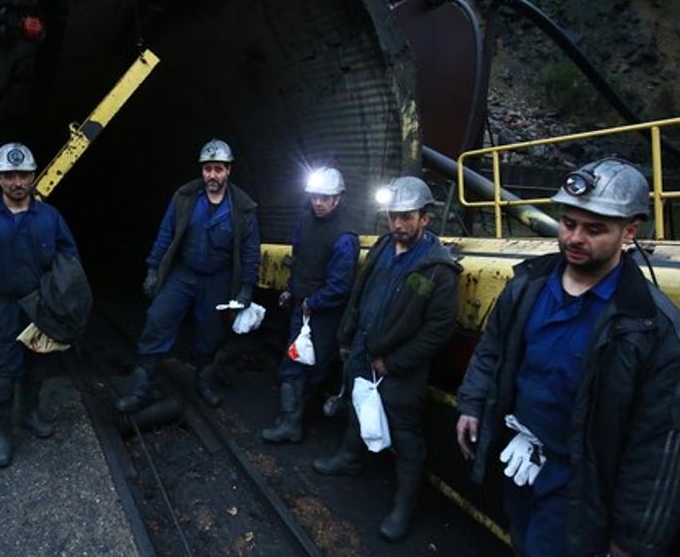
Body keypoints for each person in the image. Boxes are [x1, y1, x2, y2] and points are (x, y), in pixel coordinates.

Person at [455, 158, 680, 556]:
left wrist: (632, 543)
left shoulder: (655, 333)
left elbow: (660, 450)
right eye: (568, 223)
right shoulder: (529, 286)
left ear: (630, 232)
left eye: (594, 230)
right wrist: (471, 403)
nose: (574, 238)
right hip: (521, 462)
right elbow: (494, 349)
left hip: (580, 493)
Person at [313, 176, 461, 542]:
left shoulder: (437, 269)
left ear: (425, 218)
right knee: (357, 403)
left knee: (406, 433)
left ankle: (404, 506)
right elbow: (359, 296)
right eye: (392, 216)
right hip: (364, 348)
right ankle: (349, 459)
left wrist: (396, 362)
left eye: (406, 217)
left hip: (401, 365)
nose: (397, 224)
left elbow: (439, 329)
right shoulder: (381, 248)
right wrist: (346, 337)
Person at [116, 139, 260, 411]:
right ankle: (141, 390)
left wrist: (246, 288)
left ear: (228, 170)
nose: (212, 175)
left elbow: (251, 250)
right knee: (157, 320)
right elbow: (166, 234)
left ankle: (203, 383)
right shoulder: (185, 197)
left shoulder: (243, 207)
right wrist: (153, 268)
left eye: (218, 169)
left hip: (217, 278)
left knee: (211, 332)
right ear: (202, 171)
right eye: (207, 169)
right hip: (183, 273)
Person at [0, 142, 80, 468]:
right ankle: (2, 435)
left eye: (23, 174)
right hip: (0, 308)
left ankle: (29, 415)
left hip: (38, 306)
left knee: (35, 368)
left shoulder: (50, 218)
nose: (17, 182)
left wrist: (61, 300)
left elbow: (69, 260)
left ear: (33, 176)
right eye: (9, 175)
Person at [262, 167, 359, 443]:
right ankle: (290, 419)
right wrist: (291, 291)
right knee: (293, 362)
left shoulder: (344, 236)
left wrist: (313, 303)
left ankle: (292, 423)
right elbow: (301, 262)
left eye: (324, 198)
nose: (318, 202)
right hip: (302, 308)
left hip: (322, 316)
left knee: (307, 367)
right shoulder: (304, 222)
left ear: (337, 199)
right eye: (315, 196)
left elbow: (340, 285)